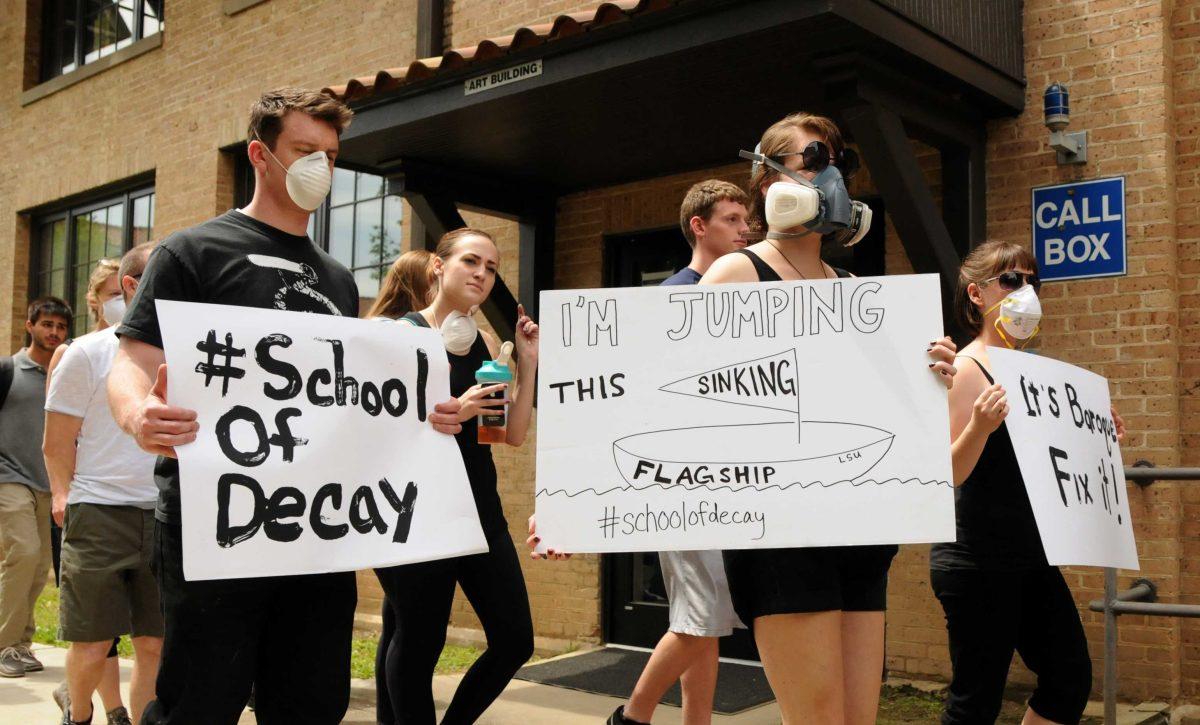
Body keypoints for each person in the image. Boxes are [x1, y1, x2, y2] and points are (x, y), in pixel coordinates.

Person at [106, 88, 463, 724]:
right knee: (200, 702)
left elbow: (355, 404)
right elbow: (131, 362)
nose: (321, 168)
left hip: (315, 534)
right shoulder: (191, 253)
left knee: (310, 704)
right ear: (259, 155)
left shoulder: (336, 277)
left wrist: (423, 422)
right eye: (305, 151)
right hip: (215, 526)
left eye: (330, 155)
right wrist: (138, 416)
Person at [699, 112, 957, 725]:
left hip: (859, 531)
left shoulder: (848, 286)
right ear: (769, 180)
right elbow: (688, 396)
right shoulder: (737, 272)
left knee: (856, 719)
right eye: (814, 160)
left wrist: (930, 378)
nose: (832, 174)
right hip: (784, 533)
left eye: (840, 161)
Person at [930, 241, 1113, 725]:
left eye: (1033, 280)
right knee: (976, 701)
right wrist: (978, 427)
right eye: (1011, 280)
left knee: (1069, 677)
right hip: (977, 560)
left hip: (1030, 555)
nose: (1026, 291)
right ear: (976, 294)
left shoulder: (1035, 375)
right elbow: (948, 472)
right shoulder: (968, 368)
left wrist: (1097, 431)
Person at [375, 227, 539, 724]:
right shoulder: (397, 337)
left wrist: (527, 365)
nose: (482, 274)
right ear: (438, 267)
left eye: (491, 267)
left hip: (478, 511)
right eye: (471, 261)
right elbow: (377, 430)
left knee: (515, 640)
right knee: (421, 641)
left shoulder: (487, 342)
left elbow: (508, 435)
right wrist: (455, 410)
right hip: (413, 512)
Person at [608, 180, 751, 725]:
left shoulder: (744, 299)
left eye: (746, 221)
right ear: (700, 226)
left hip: (730, 475)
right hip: (681, 479)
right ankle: (633, 717)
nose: (745, 230)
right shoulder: (673, 296)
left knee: (705, 615)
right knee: (702, 619)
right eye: (733, 220)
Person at [44, 244, 160, 725]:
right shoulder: (85, 354)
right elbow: (56, 441)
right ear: (135, 287)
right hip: (98, 512)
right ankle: (79, 714)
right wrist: (61, 493)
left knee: (155, 643)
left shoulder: (192, 351)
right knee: (92, 644)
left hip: (162, 515)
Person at [365, 248, 437, 725]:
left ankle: (387, 718)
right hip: (396, 496)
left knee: (398, 619)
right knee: (413, 627)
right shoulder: (393, 337)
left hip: (399, 497)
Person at [0, 296, 71, 678]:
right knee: (24, 553)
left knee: (39, 564)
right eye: (47, 324)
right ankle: (3, 644)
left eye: (60, 327)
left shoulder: (63, 375)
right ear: (29, 326)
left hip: (47, 482)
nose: (54, 332)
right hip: (8, 477)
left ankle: (20, 644)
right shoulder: (8, 370)